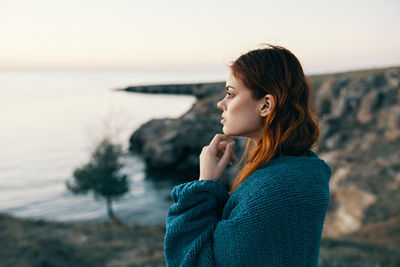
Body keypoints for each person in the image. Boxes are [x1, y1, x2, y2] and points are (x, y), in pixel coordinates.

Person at [164, 44, 332, 266]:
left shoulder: (271, 192)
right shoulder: (304, 169)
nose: (220, 103)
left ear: (266, 105)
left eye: (230, 94)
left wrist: (204, 185)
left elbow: (192, 261)